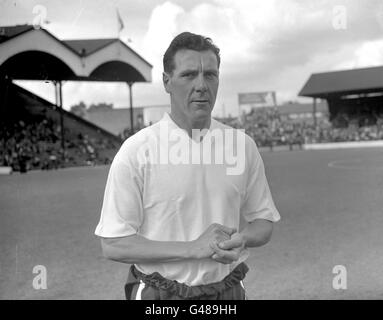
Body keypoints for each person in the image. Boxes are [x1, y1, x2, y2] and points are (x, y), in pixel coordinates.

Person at [95, 32, 280, 300]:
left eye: (210, 75)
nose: (202, 85)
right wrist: (191, 248)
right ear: (166, 82)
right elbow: (113, 244)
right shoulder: (137, 151)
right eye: (189, 75)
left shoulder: (242, 146)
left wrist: (242, 239)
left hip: (226, 290)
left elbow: (263, 223)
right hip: (160, 292)